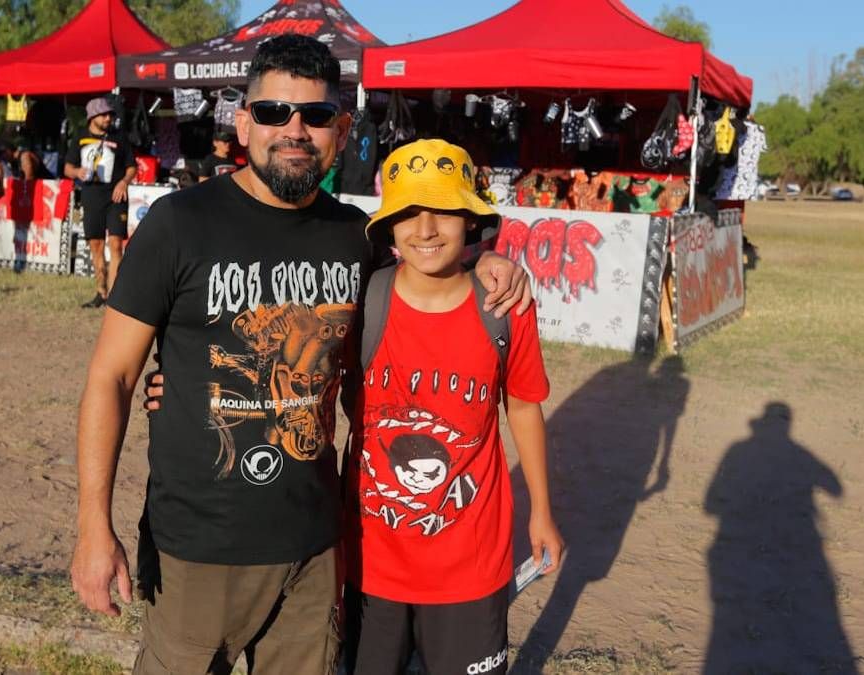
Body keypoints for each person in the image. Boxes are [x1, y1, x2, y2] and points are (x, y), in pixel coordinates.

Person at [70, 35, 530, 675]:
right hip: (199, 550)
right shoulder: (178, 224)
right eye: (272, 112)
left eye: (315, 115)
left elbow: (429, 270)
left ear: (341, 131)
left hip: (314, 551)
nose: (294, 130)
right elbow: (112, 378)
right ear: (243, 123)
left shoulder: (355, 237)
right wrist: (93, 527)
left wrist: (489, 262)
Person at [347, 139, 563, 675]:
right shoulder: (362, 302)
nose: (425, 229)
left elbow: (523, 407)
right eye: (408, 213)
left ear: (470, 220)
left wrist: (541, 509)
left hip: (471, 562)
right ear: (388, 225)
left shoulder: (505, 308)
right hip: (371, 559)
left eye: (443, 210)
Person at [64, 97, 136, 308]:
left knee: (116, 244)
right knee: (96, 246)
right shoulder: (80, 136)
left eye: (110, 115)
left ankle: (115, 296)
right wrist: (77, 172)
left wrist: (124, 182)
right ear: (92, 116)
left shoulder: (119, 137)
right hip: (91, 196)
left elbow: (132, 166)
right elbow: (67, 168)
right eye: (104, 115)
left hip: (116, 197)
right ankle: (101, 292)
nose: (108, 118)